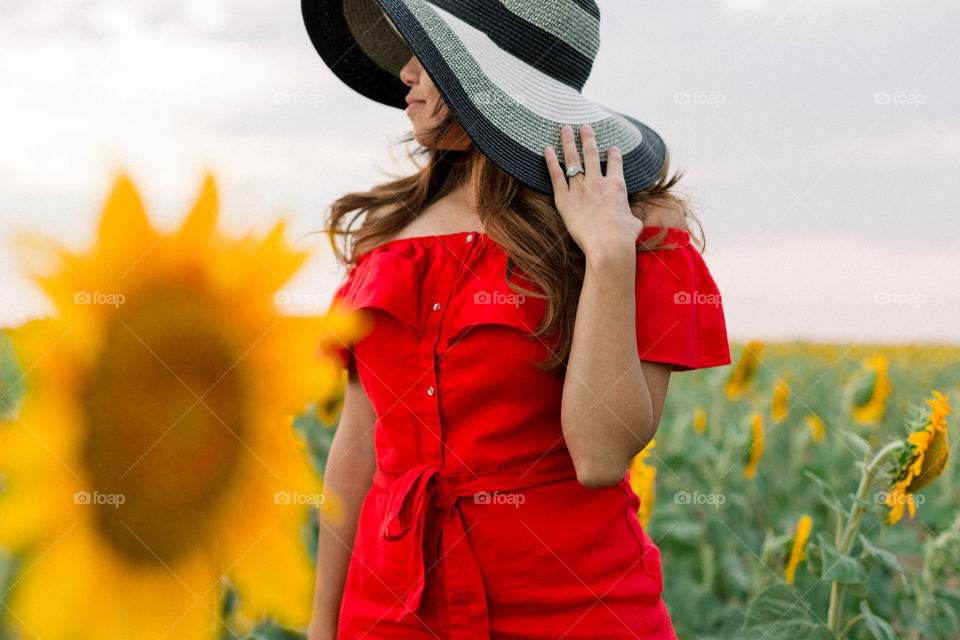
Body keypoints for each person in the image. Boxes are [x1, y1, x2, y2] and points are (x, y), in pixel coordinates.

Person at [301, 2, 732, 638]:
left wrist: (608, 256)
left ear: (480, 74)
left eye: (429, 48)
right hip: (390, 609)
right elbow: (357, 448)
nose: (406, 72)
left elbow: (601, 456)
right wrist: (322, 626)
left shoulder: (638, 231)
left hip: (576, 610)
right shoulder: (387, 237)